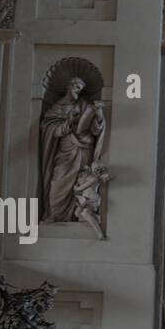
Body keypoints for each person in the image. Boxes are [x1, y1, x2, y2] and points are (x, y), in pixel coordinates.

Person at [40, 77, 106, 223]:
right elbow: (51, 130)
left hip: (83, 150)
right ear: (68, 87)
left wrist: (99, 114)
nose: (78, 91)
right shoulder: (56, 108)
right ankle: (55, 213)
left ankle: (78, 216)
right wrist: (69, 123)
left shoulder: (84, 105)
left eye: (80, 89)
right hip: (65, 151)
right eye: (76, 87)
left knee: (80, 183)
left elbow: (96, 129)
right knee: (58, 182)